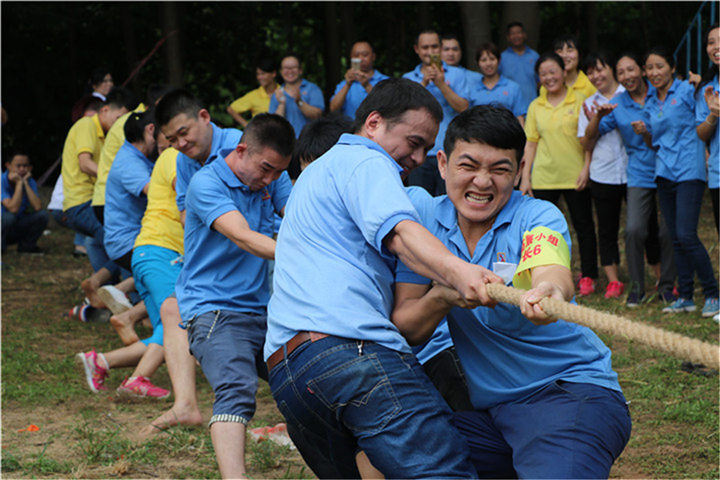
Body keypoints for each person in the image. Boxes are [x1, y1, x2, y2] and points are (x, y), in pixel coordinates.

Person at [265, 78, 497, 478]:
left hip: (289, 373)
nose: (419, 156)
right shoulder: (367, 161)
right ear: (373, 123)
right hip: (349, 354)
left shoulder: (314, 177)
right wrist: (461, 272)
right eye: (414, 141)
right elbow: (400, 233)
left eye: (426, 147)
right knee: (444, 472)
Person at [393, 104, 631, 479]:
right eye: (468, 166)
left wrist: (549, 291)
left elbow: (551, 270)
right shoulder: (424, 227)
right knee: (383, 454)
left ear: (520, 171)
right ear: (442, 164)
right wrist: (443, 296)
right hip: (490, 416)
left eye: (500, 169)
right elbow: (408, 325)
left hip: (566, 396)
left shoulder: (536, 216)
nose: (482, 182)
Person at [178, 114, 293, 478]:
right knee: (236, 387)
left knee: (305, 380)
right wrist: (307, 252)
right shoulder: (206, 183)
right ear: (242, 151)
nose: (270, 180)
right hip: (213, 310)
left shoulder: (271, 175)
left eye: (278, 173)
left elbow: (297, 218)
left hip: (263, 310)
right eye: (266, 170)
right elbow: (243, 236)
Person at [138, 89, 243, 438]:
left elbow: (271, 203)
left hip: (251, 257)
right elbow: (186, 213)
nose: (180, 143)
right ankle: (185, 404)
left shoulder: (241, 148)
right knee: (172, 310)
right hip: (210, 257)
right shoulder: (182, 160)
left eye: (184, 133)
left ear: (204, 116)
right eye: (171, 139)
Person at [632, 47, 719, 317]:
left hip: (689, 170)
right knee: (675, 237)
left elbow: (704, 112)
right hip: (664, 171)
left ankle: (713, 293)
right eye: (649, 68)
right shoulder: (649, 102)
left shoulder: (687, 90)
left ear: (672, 67)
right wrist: (644, 132)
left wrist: (698, 83)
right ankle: (686, 297)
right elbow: (652, 143)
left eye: (660, 66)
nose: (654, 72)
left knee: (686, 234)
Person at [584, 52, 676, 307]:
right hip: (638, 172)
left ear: (643, 71)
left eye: (631, 70)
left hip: (669, 167)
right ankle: (637, 287)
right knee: (634, 229)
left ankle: (668, 285)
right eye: (622, 72)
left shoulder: (659, 95)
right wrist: (598, 117)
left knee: (668, 230)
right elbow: (590, 137)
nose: (627, 76)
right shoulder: (619, 104)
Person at [520, 52, 599, 296]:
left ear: (564, 72)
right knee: (543, 231)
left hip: (574, 174)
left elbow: (590, 138)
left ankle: (588, 276)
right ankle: (545, 276)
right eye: (543, 74)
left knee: (583, 226)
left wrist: (586, 167)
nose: (549, 77)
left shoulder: (581, 99)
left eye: (553, 71)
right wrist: (525, 177)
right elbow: (531, 143)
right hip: (544, 176)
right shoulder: (535, 105)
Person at [60, 87, 137, 278]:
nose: (120, 124)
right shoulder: (87, 125)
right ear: (104, 110)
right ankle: (108, 285)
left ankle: (106, 286)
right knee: (121, 240)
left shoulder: (106, 136)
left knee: (96, 241)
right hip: (82, 201)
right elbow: (85, 164)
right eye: (119, 118)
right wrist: (116, 178)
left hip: (90, 200)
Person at [577, 52, 628, 299]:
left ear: (611, 69)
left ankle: (659, 275)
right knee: (606, 229)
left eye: (600, 68)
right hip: (603, 172)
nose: (596, 75)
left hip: (635, 171)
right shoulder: (588, 104)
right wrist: (596, 118)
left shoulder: (630, 96)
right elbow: (585, 143)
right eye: (591, 72)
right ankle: (614, 280)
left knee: (645, 226)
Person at [404, 30, 469, 196]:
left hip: (451, 151)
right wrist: (424, 82)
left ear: (440, 48)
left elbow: (463, 107)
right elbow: (402, 111)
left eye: (434, 46)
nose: (430, 51)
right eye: (425, 47)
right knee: (418, 203)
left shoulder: (458, 74)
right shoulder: (408, 78)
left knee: (450, 203)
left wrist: (441, 84)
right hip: (417, 153)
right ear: (416, 49)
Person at [92, 85, 170, 223]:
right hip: (112, 197)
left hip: (114, 195)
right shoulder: (133, 128)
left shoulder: (136, 120)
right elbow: (151, 188)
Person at [103, 110, 158, 271]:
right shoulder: (130, 163)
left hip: (130, 238)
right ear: (150, 130)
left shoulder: (136, 156)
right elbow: (156, 193)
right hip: (128, 241)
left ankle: (115, 289)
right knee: (172, 266)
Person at [696, 24, 719, 234]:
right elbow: (701, 134)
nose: (716, 47)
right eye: (711, 42)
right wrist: (713, 114)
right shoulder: (707, 89)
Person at [1, 152, 49, 253]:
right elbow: (13, 208)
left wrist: (25, 183)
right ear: (8, 166)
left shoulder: (30, 181)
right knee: (9, 217)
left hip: (16, 225)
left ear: (30, 168)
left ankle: (27, 247)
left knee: (42, 215)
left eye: (25, 166)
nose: (22, 169)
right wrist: (19, 184)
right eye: (18, 166)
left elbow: (37, 207)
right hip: (4, 223)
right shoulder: (2, 181)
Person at [469, 42, 526, 126]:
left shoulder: (513, 87)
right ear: (478, 63)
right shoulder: (471, 90)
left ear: (499, 61)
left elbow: (520, 118)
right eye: (483, 60)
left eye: (492, 59)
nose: (488, 63)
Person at [330, 41, 389, 119]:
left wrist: (367, 85)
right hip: (351, 129)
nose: (360, 59)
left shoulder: (386, 81)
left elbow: (389, 106)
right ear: (351, 58)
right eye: (356, 55)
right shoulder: (344, 84)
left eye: (365, 55)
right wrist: (347, 84)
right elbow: (333, 109)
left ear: (373, 57)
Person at [268, 55, 324, 137]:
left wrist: (299, 102)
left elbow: (317, 115)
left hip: (310, 142)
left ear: (300, 70)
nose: (290, 71)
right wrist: (281, 104)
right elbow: (273, 125)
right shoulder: (277, 94)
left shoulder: (312, 89)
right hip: (285, 143)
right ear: (281, 71)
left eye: (293, 67)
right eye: (286, 68)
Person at [498, 22, 540, 111]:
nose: (516, 36)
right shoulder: (502, 58)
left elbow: (540, 82)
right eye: (512, 33)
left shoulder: (534, 56)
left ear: (524, 35)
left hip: (532, 106)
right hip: (509, 108)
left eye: (519, 32)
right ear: (508, 38)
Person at [540, 35, 596, 101]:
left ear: (579, 54)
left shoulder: (590, 85)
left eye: (570, 50)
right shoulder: (547, 86)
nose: (564, 55)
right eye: (560, 51)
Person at [227, 58, 279, 127]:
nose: (259, 77)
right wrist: (249, 127)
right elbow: (231, 109)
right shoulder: (254, 95)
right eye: (258, 74)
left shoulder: (284, 91)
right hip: (263, 136)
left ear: (273, 74)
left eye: (263, 74)